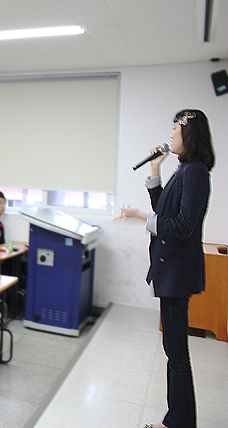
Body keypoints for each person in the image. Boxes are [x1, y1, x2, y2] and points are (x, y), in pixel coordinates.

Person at [118, 109, 214, 428]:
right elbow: (164, 209)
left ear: (189, 133)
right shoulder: (185, 168)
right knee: (174, 350)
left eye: (175, 128)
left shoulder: (195, 172)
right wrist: (155, 169)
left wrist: (139, 216)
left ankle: (178, 422)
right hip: (172, 270)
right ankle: (179, 420)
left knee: (176, 353)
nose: (171, 134)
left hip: (177, 272)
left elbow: (183, 226)